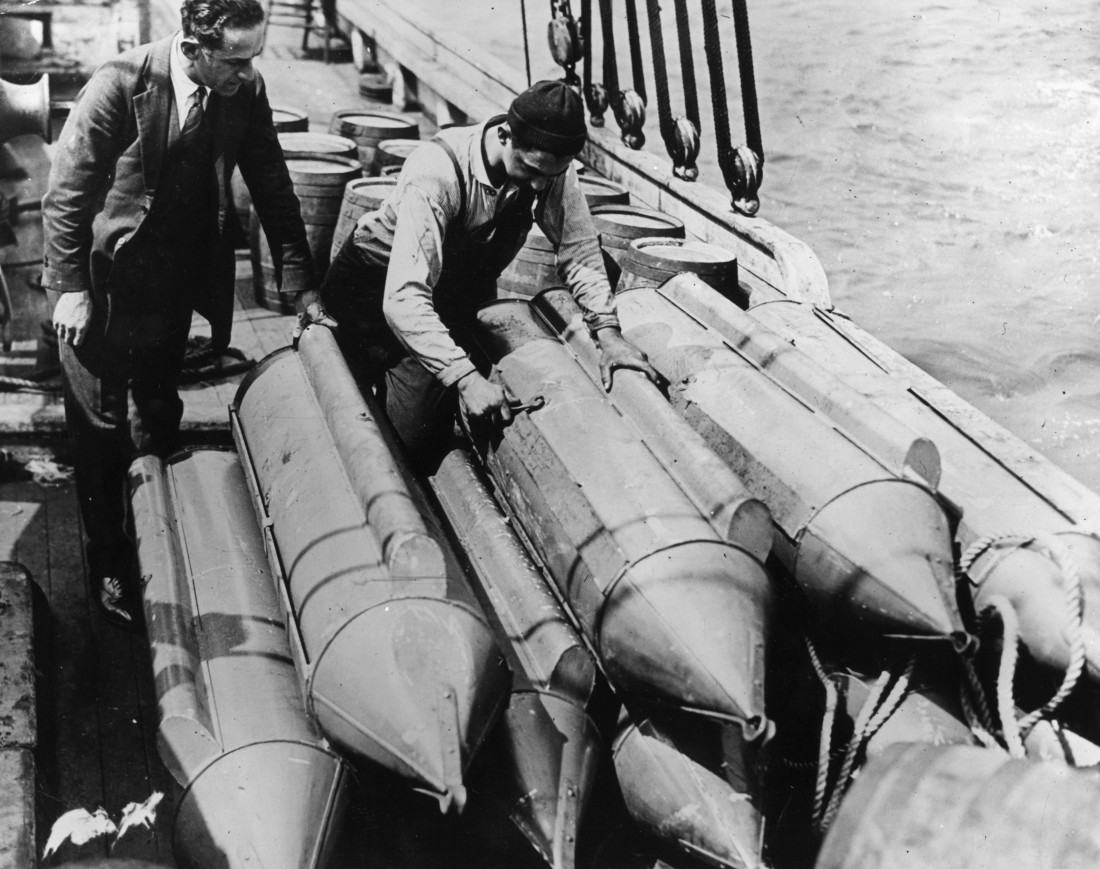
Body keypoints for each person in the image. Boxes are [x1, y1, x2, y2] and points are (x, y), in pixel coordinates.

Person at [42, 0, 322, 627]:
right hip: (103, 284)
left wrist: (302, 285)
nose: (248, 72)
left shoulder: (244, 91)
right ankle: (109, 563)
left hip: (171, 281)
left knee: (158, 412)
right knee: (99, 431)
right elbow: (66, 193)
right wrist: (70, 288)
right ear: (193, 48)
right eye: (236, 60)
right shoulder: (120, 83)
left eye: (254, 57)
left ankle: (161, 544)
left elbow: (273, 184)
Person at [314, 79, 658, 461]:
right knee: (342, 415)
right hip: (369, 290)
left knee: (414, 444)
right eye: (531, 169)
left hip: (444, 293)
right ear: (505, 135)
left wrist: (608, 334)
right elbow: (403, 298)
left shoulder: (548, 168)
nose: (540, 184)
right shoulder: (437, 172)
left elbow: (578, 248)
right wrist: (465, 379)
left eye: (550, 175)